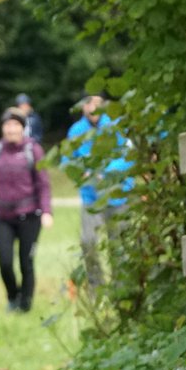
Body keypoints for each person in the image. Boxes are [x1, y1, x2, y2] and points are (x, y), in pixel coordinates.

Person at [0, 110, 52, 312]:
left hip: (29, 215)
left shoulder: (33, 150)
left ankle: (26, 304)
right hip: (2, 216)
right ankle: (13, 296)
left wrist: (47, 211)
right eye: (7, 125)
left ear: (23, 128)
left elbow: (43, 184)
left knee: (26, 262)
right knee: (5, 262)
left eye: (16, 125)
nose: (11, 129)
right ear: (2, 128)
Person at [64, 93, 135, 290]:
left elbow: (129, 154)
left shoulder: (115, 124)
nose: (93, 107)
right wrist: (81, 172)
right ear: (82, 107)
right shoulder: (76, 131)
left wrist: (108, 171)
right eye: (88, 103)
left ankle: (122, 287)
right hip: (91, 196)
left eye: (97, 103)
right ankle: (96, 287)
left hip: (118, 194)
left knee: (119, 243)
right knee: (88, 242)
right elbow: (68, 160)